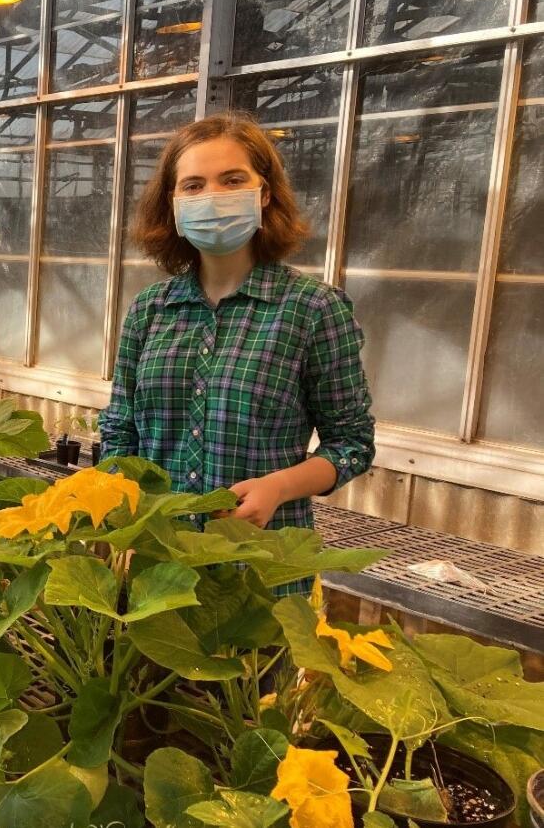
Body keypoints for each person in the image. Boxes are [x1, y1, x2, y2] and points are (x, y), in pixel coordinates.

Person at [98, 112, 375, 596]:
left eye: (232, 180)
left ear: (264, 194)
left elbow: (351, 444)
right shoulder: (150, 310)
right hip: (159, 569)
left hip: (262, 573)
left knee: (253, 673)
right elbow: (121, 429)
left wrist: (278, 487)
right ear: (174, 204)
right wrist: (118, 510)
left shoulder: (312, 310)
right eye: (193, 186)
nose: (212, 197)